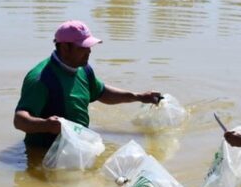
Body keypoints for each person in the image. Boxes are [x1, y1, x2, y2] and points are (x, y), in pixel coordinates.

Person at [14, 20, 162, 147]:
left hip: (76, 147)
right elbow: (19, 120)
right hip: (45, 153)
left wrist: (139, 97)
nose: (89, 51)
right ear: (65, 47)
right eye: (82, 48)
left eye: (89, 47)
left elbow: (102, 92)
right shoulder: (41, 79)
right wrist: (46, 125)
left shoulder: (82, 69)